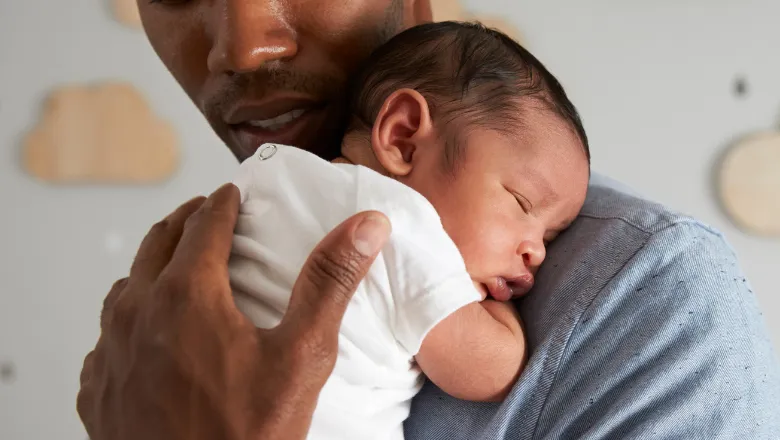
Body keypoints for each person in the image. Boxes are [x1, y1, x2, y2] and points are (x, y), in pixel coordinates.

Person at [77, 1, 780, 439]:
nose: (241, 44)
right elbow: (488, 365)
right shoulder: (203, 270)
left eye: (547, 229)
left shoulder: (650, 294)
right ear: (402, 136)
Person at [228, 21, 588, 439]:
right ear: (403, 139)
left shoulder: (269, 172)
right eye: (522, 202)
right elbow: (492, 372)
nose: (538, 253)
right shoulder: (401, 223)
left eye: (549, 238)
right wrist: (492, 306)